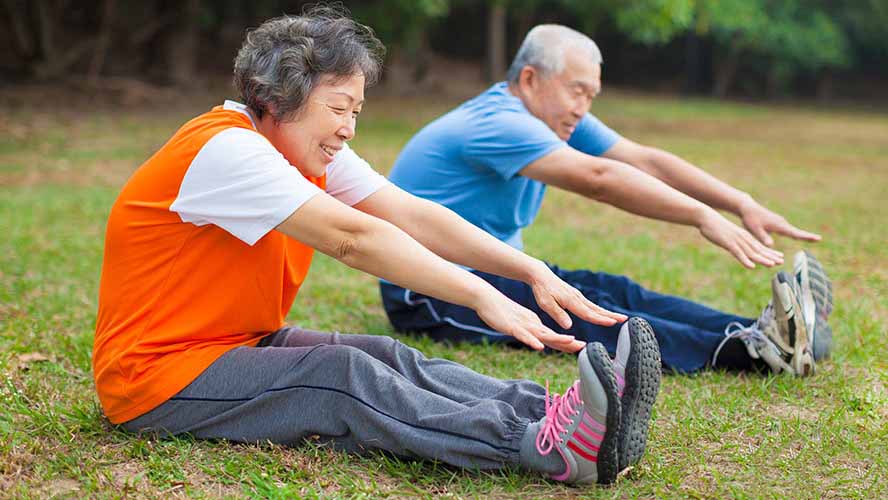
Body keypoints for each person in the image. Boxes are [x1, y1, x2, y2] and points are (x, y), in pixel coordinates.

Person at [93, 9, 662, 486]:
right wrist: (479, 294)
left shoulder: (304, 149)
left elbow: (409, 213)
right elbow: (353, 238)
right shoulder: (226, 151)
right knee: (340, 375)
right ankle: (546, 446)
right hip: (156, 379)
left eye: (355, 112)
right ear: (281, 98)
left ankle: (564, 413)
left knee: (385, 355)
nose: (348, 129)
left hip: (230, 342)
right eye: (338, 108)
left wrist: (528, 268)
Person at [381, 24, 834, 377]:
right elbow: (599, 178)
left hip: (494, 269)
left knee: (615, 291)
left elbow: (644, 160)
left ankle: (768, 330)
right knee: (587, 311)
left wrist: (740, 202)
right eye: (576, 90)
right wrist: (699, 215)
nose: (583, 106)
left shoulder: (554, 116)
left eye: (591, 95)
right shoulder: (499, 122)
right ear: (530, 79)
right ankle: (750, 352)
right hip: (429, 291)